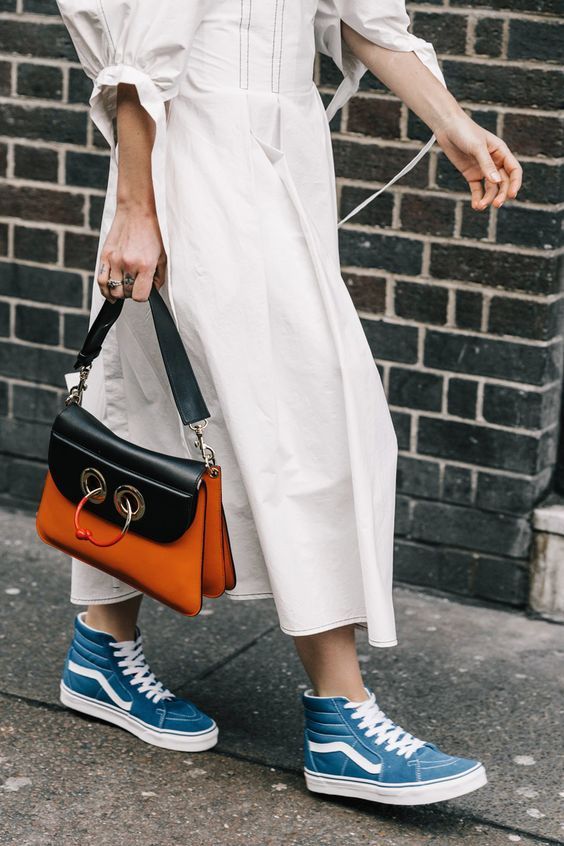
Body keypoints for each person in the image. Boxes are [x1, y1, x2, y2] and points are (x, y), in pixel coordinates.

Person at [54, 0, 521, 806]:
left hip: (281, 155)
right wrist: (136, 209)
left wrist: (452, 124)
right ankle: (340, 715)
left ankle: (101, 645)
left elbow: (361, 16)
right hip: (192, 156)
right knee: (301, 417)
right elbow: (143, 51)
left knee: (162, 409)